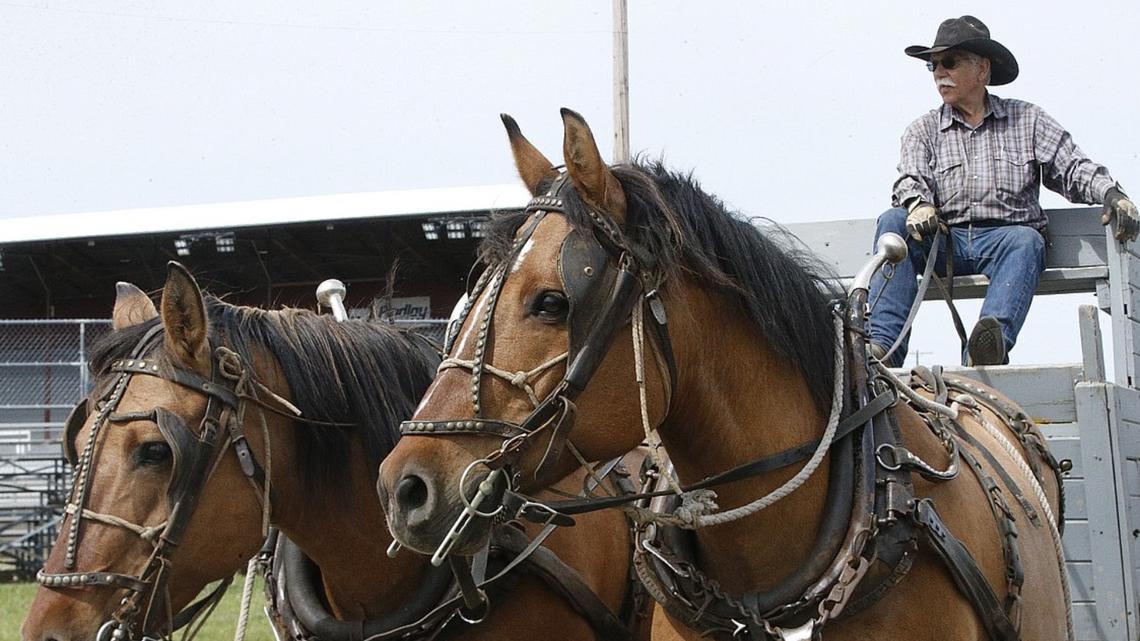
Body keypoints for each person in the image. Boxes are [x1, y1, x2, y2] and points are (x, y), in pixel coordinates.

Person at [868, 15, 1140, 367]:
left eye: (949, 61)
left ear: (982, 69)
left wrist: (1111, 194)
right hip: (943, 241)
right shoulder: (923, 130)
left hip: (1004, 241)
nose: (939, 72)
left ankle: (986, 347)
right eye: (933, 65)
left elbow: (1071, 167)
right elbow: (909, 178)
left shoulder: (1028, 120)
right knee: (893, 219)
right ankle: (882, 347)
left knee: (1027, 240)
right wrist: (919, 204)